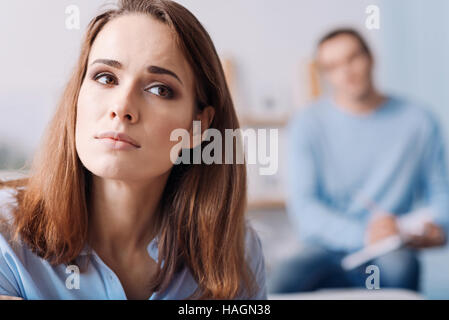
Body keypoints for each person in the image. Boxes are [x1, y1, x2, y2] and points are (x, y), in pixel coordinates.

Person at [0, 0, 266, 300]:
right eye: (105, 77)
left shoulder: (235, 251)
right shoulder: (5, 235)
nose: (122, 107)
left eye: (159, 89)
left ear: (197, 127)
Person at [268, 28, 449, 293]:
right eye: (333, 66)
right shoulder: (307, 124)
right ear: (326, 75)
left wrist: (435, 228)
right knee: (282, 280)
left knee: (401, 269)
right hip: (324, 247)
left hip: (390, 246)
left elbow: (440, 195)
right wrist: (364, 233)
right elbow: (305, 210)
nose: (346, 71)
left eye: (353, 58)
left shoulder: (419, 120)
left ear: (371, 58)